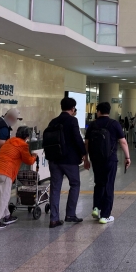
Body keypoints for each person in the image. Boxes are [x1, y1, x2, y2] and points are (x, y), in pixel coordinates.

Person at [47, 97, 90, 229]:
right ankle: (70, 214)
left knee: (55, 188)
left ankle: (54, 219)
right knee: (75, 184)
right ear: (73, 108)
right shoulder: (73, 120)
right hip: (69, 160)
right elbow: (77, 138)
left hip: (54, 159)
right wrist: (84, 154)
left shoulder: (53, 121)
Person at [85, 102, 131, 225]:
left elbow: (87, 143)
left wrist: (86, 159)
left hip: (96, 159)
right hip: (110, 159)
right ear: (109, 112)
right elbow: (123, 142)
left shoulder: (93, 125)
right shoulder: (114, 124)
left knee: (98, 183)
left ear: (98, 111)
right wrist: (127, 157)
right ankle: (105, 216)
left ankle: (96, 208)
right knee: (108, 185)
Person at [0, 126, 37, 230]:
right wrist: (34, 156)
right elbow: (28, 161)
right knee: (4, 197)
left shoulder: (9, 141)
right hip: (6, 172)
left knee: (1, 196)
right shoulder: (23, 145)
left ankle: (7, 216)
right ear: (27, 136)